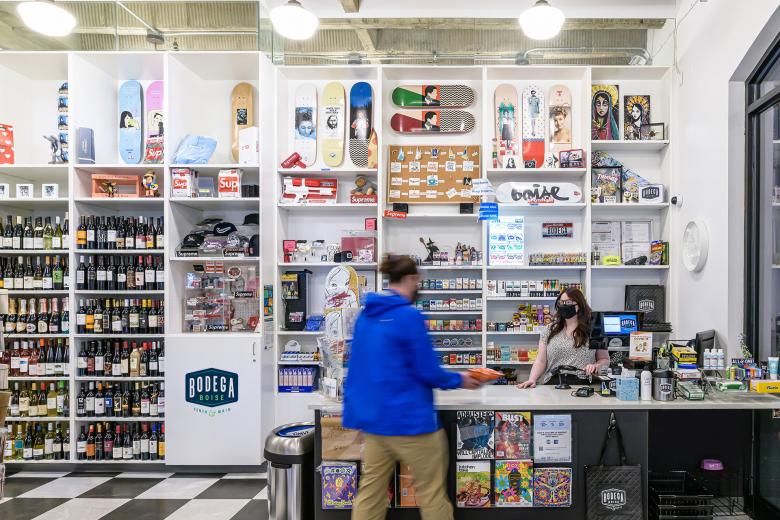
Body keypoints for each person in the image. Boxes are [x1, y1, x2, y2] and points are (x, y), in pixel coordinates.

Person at [344, 255, 482, 520]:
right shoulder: (409, 316)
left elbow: (357, 371)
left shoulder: (366, 317)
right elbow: (427, 371)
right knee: (431, 495)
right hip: (413, 424)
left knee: (370, 495)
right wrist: (460, 380)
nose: (418, 286)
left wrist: (358, 417)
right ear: (410, 279)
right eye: (417, 281)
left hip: (375, 425)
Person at [517, 287, 610, 388]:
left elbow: (604, 359)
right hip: (553, 385)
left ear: (580, 305)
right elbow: (541, 361)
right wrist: (532, 379)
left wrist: (596, 366)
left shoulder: (595, 329)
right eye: (561, 303)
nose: (564, 306)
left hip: (583, 385)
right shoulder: (549, 329)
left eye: (569, 302)